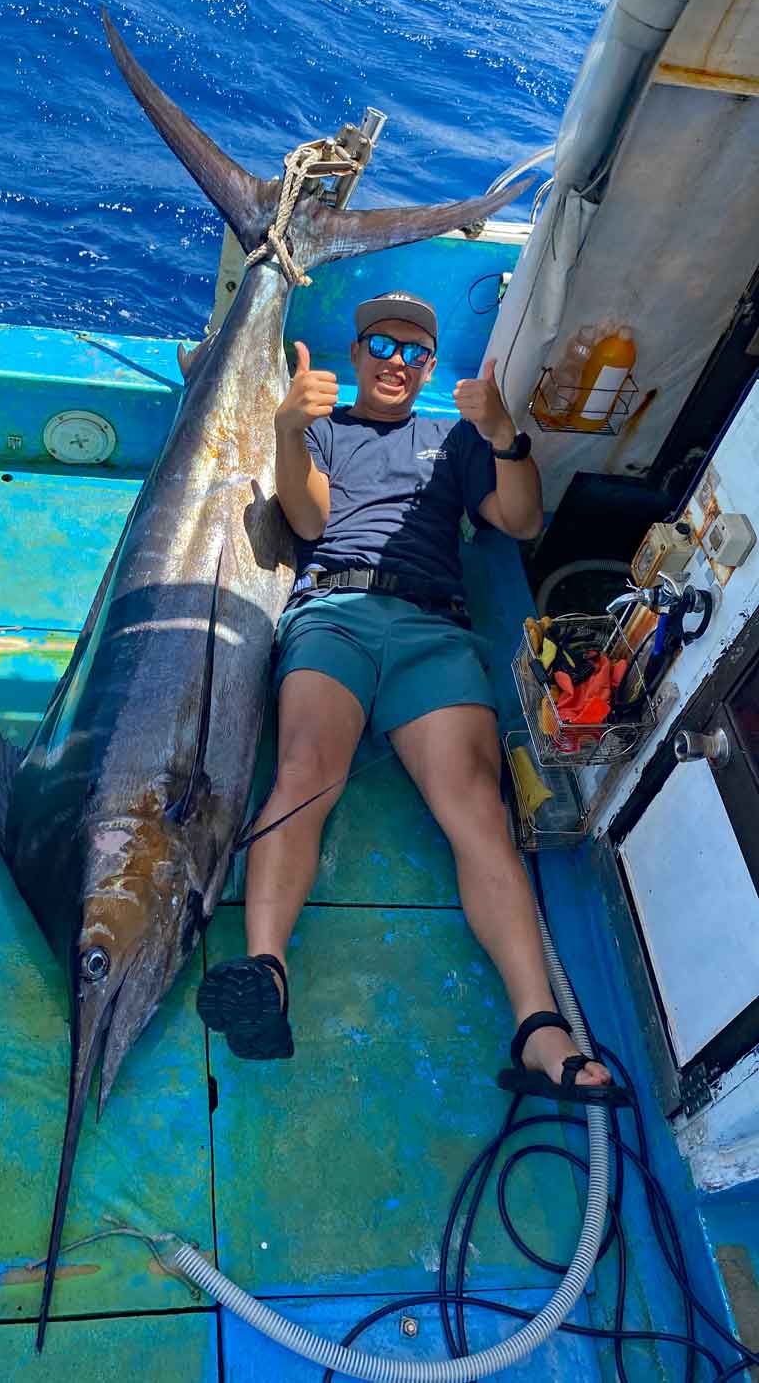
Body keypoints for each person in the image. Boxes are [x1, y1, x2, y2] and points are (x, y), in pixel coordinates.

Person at [196, 289, 623, 1106]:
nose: (397, 364)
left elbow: (522, 520)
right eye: (382, 348)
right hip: (336, 614)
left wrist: (506, 437)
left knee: (477, 806)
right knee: (304, 770)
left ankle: (539, 1030)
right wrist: (289, 430)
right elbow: (308, 518)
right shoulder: (323, 428)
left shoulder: (455, 439)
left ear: (430, 367)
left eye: (415, 353)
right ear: (356, 354)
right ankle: (266, 973)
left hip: (433, 630)